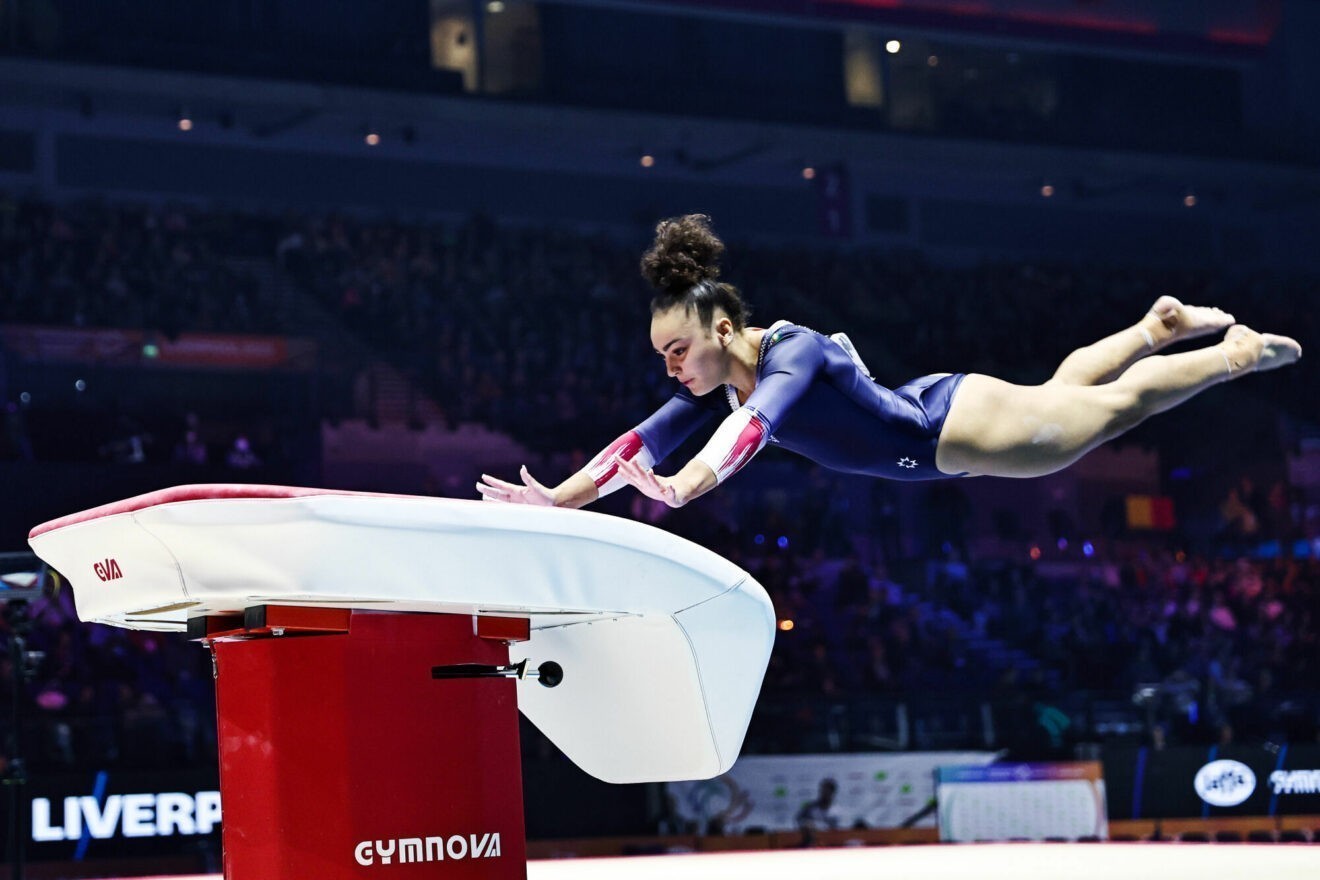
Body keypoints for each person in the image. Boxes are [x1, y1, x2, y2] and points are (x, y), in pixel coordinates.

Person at [477, 215, 1302, 510]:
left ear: (725, 328)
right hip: (943, 415)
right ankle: (1155, 327)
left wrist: (686, 490)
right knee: (1064, 390)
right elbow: (637, 444)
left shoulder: (787, 356)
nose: (671, 370)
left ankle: (1227, 356)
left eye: (679, 350)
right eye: (662, 356)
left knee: (1114, 414)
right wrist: (559, 500)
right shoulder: (719, 385)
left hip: (956, 430)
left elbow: (754, 432)